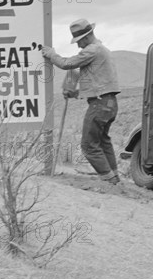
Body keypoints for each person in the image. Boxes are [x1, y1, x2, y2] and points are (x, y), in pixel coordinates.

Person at [41, 19, 121, 183]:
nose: (78, 46)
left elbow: (67, 64)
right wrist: (76, 93)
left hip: (99, 105)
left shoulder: (92, 50)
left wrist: (51, 54)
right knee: (103, 141)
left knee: (88, 146)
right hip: (109, 103)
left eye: (79, 41)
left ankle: (109, 181)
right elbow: (99, 84)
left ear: (86, 36)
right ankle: (114, 177)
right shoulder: (102, 50)